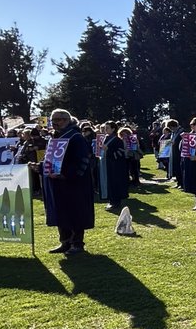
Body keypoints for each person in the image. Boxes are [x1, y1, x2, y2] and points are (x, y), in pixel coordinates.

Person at [39, 109, 94, 255]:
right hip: (56, 183)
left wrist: (66, 175)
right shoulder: (54, 137)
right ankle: (65, 242)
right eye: (53, 120)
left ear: (66, 120)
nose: (55, 123)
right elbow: (50, 159)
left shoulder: (76, 137)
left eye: (58, 120)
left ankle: (77, 243)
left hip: (73, 183)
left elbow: (83, 161)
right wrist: (39, 166)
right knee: (60, 212)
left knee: (75, 212)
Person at [102, 123, 129, 211]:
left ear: (113, 129)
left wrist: (107, 150)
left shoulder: (117, 140)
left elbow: (119, 153)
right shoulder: (106, 138)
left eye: (108, 128)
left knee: (115, 183)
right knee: (109, 182)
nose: (106, 129)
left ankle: (116, 202)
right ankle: (111, 200)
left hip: (116, 166)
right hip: (107, 163)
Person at [167, 119, 184, 189]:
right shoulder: (173, 133)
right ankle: (178, 182)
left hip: (179, 153)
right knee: (176, 168)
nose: (171, 129)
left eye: (171, 127)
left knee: (180, 169)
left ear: (174, 126)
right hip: (174, 153)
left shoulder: (181, 132)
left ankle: (182, 184)